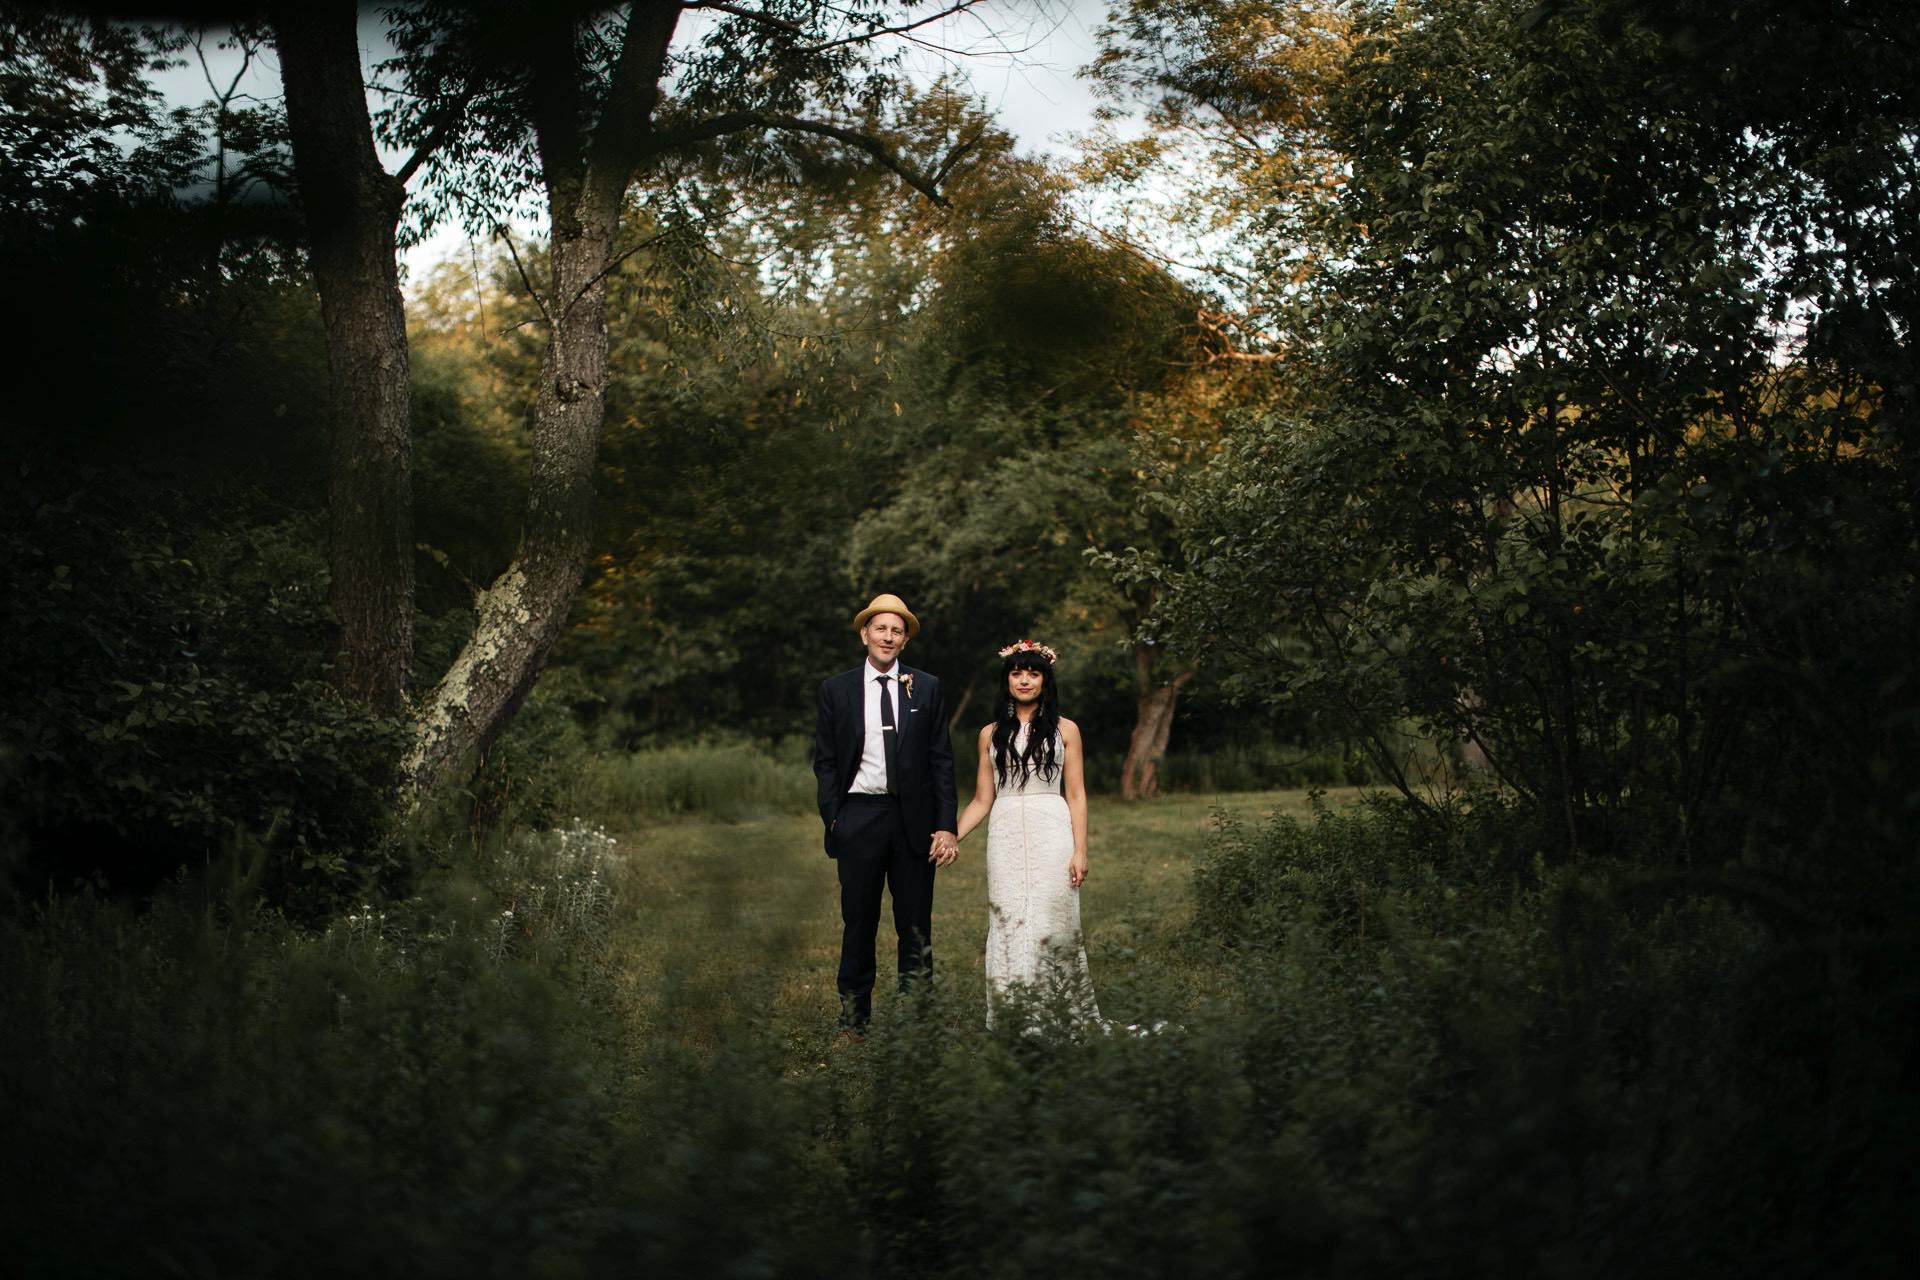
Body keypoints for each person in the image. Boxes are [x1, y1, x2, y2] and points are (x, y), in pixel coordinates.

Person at [813, 593, 959, 1031]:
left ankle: (916, 1020)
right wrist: (834, 816)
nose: (889, 636)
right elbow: (826, 760)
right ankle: (854, 1019)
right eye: (881, 628)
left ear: (905, 640)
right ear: (865, 634)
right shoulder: (836, 690)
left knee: (915, 925)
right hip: (858, 815)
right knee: (859, 921)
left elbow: (941, 761)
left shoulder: (927, 686)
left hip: (913, 822)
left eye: (897, 630)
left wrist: (945, 825)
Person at [953, 639, 1101, 1028]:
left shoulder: (1066, 730)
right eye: (1017, 673)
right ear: (1006, 680)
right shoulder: (989, 734)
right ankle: (1013, 1016)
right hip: (1004, 834)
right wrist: (951, 835)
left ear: (1044, 680)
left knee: (1052, 916)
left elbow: (1077, 793)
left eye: (1033, 673)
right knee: (1009, 918)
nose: (1024, 680)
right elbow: (982, 800)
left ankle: (1059, 1015)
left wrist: (1080, 850)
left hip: (1051, 827)